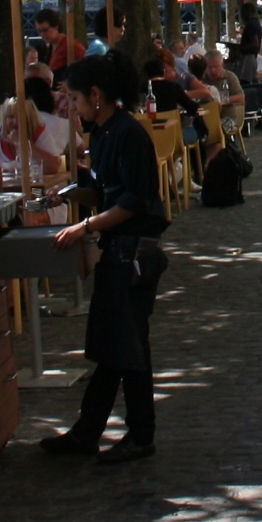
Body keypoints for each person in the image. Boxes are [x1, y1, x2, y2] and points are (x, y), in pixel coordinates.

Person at [41, 55, 171, 463]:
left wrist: (86, 227)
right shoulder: (104, 134)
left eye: (75, 98)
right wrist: (72, 195)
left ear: (96, 96)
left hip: (133, 251)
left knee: (125, 349)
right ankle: (92, 430)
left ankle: (132, 432)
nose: (73, 107)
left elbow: (133, 200)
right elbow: (108, 191)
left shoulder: (127, 134)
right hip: (120, 249)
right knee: (119, 349)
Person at [0, 92, 67, 185]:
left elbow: (53, 166)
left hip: (35, 192)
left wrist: (23, 143)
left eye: (21, 117)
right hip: (3, 192)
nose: (15, 121)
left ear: (29, 118)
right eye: (10, 117)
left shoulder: (39, 134)